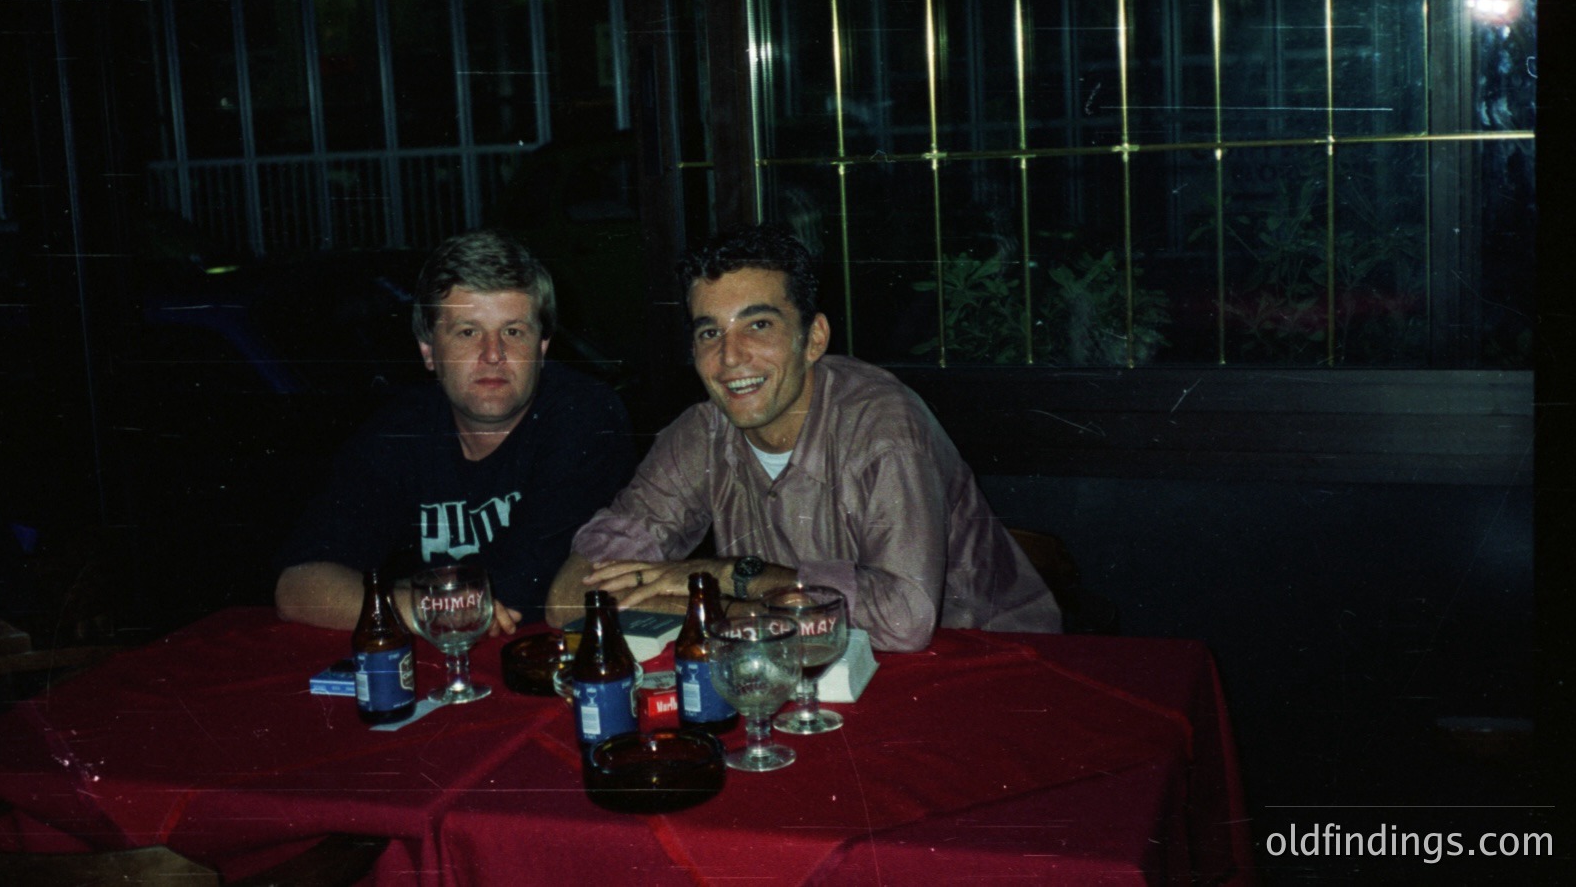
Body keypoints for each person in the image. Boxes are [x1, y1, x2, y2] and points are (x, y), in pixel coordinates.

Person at [545, 223, 1059, 651]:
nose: (730, 357)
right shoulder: (701, 433)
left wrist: (733, 575)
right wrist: (745, 609)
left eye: (759, 325)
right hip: (814, 667)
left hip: (985, 665)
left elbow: (905, 621)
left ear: (813, 338)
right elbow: (570, 598)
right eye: (709, 332)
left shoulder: (882, 425)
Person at [275, 229, 634, 636]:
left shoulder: (584, 415)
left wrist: (398, 597)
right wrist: (423, 607)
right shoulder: (398, 431)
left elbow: (524, 591)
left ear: (543, 346)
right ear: (428, 350)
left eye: (513, 331)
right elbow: (299, 586)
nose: (493, 354)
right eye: (468, 332)